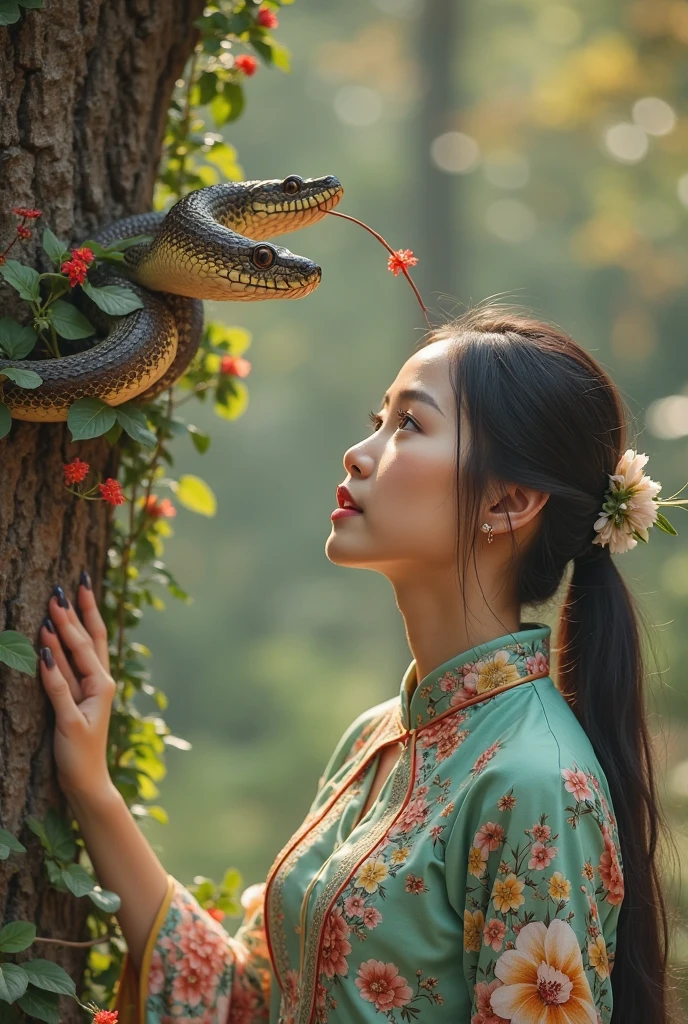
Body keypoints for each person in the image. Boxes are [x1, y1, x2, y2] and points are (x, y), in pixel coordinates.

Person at [39, 305, 670, 1024]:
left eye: (409, 424)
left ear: (508, 501)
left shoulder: (536, 783)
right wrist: (92, 789)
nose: (359, 453)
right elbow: (252, 1000)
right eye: (380, 419)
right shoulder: (379, 738)